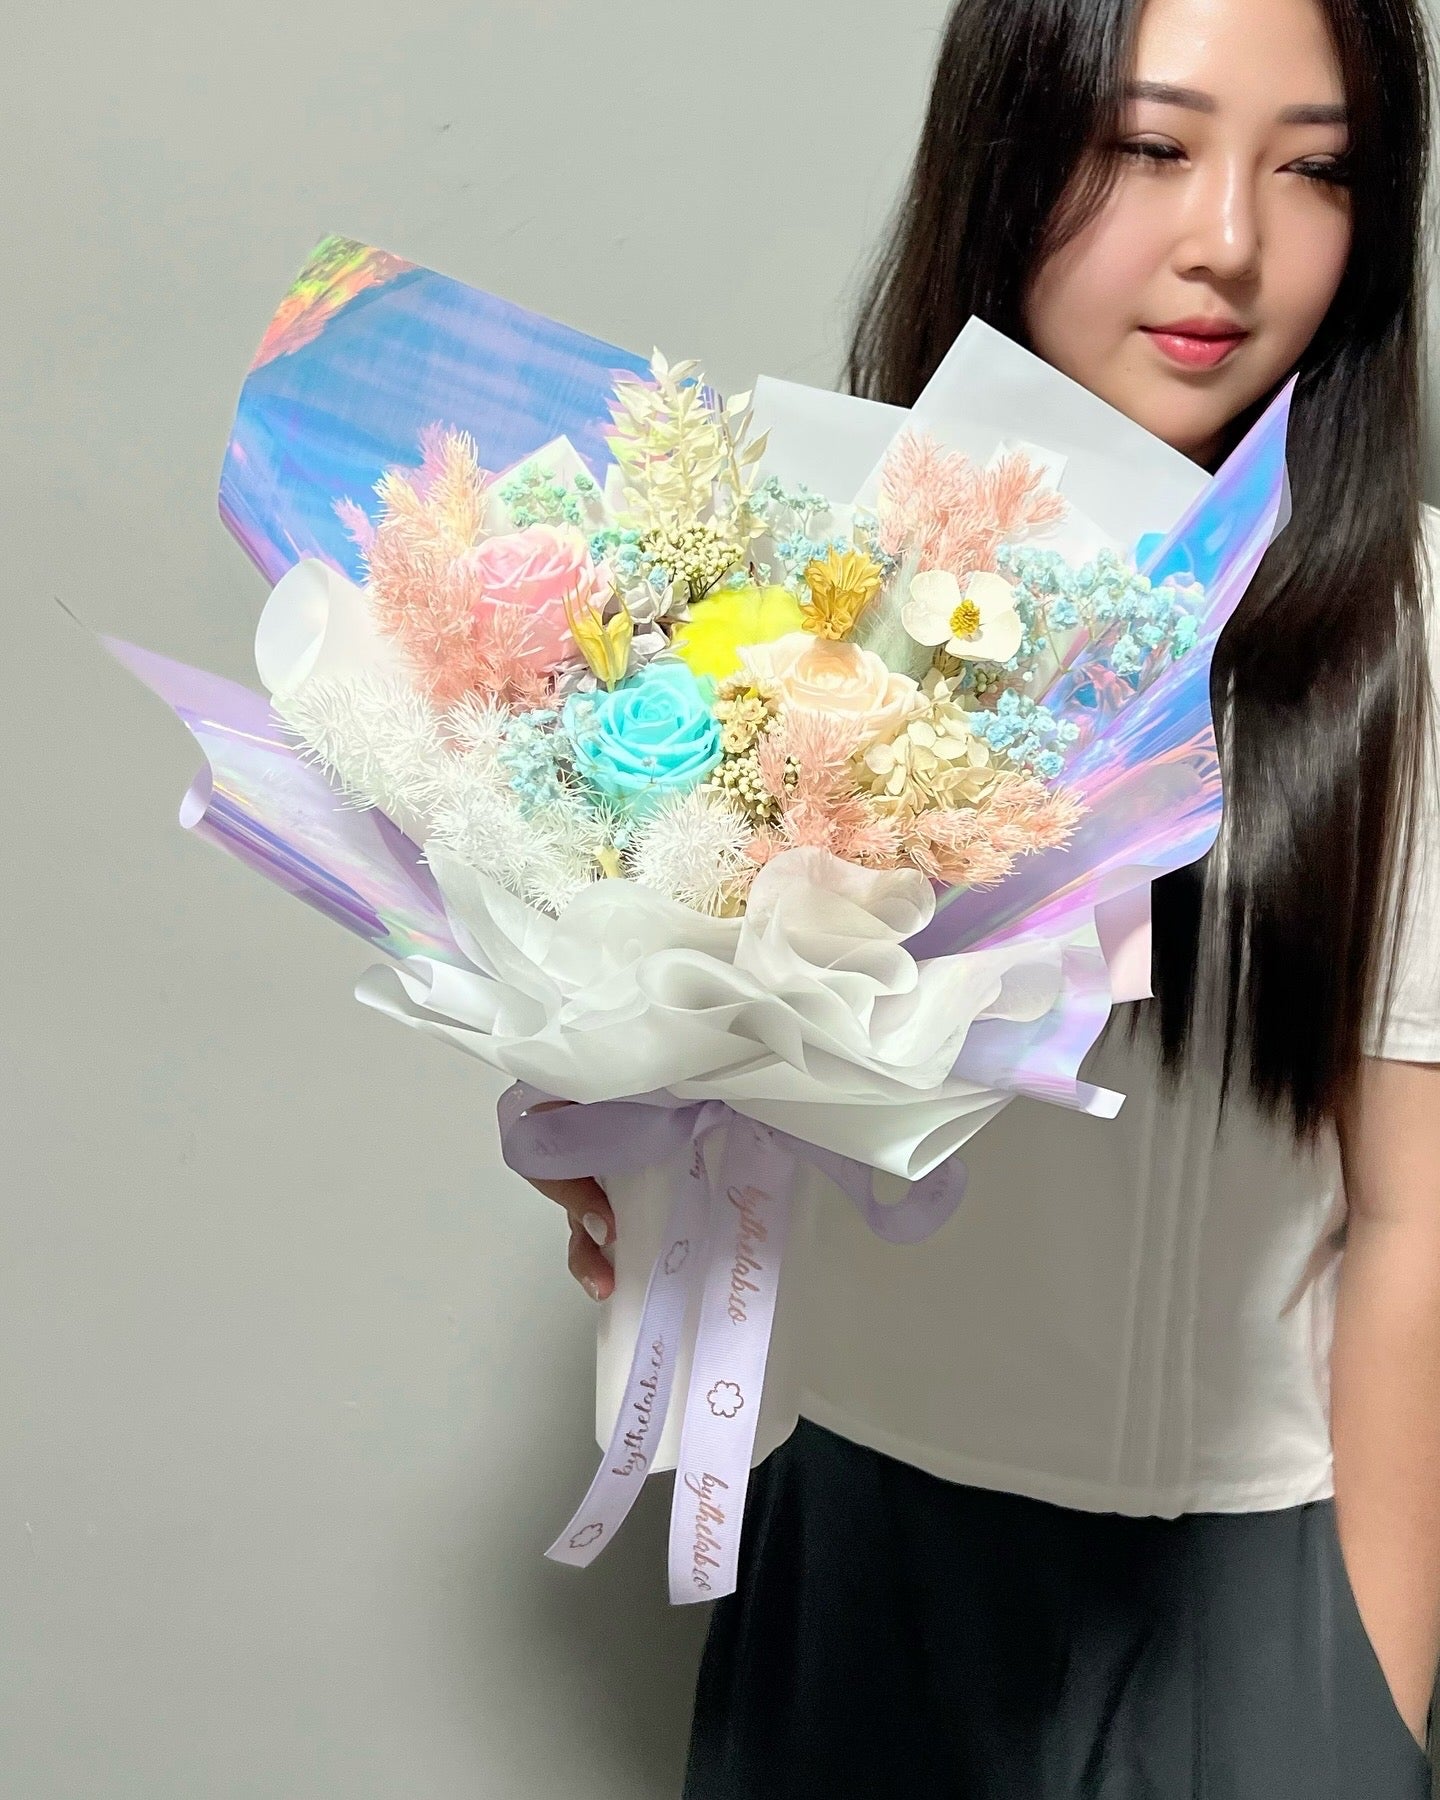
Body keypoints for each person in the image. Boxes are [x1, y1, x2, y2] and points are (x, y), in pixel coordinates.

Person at [530, 0, 1440, 1791]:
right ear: (1008, 152)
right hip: (856, 1546)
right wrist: (619, 1130)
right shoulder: (800, 583)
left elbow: (1422, 1227)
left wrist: (1369, 1708)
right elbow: (731, 1082)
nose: (1231, 240)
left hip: (1249, 1580)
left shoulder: (1402, 639)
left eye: (1319, 169)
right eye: (1150, 146)